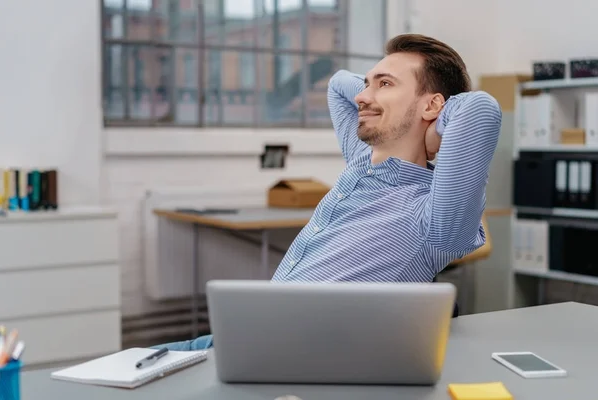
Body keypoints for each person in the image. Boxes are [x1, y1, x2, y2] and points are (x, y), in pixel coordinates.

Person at [154, 34, 502, 351]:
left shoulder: (433, 217)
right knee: (118, 369)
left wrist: (436, 130)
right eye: (367, 84)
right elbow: (338, 84)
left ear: (433, 106)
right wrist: (394, 99)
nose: (363, 96)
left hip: (289, 356)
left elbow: (481, 110)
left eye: (385, 84)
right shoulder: (361, 159)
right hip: (244, 336)